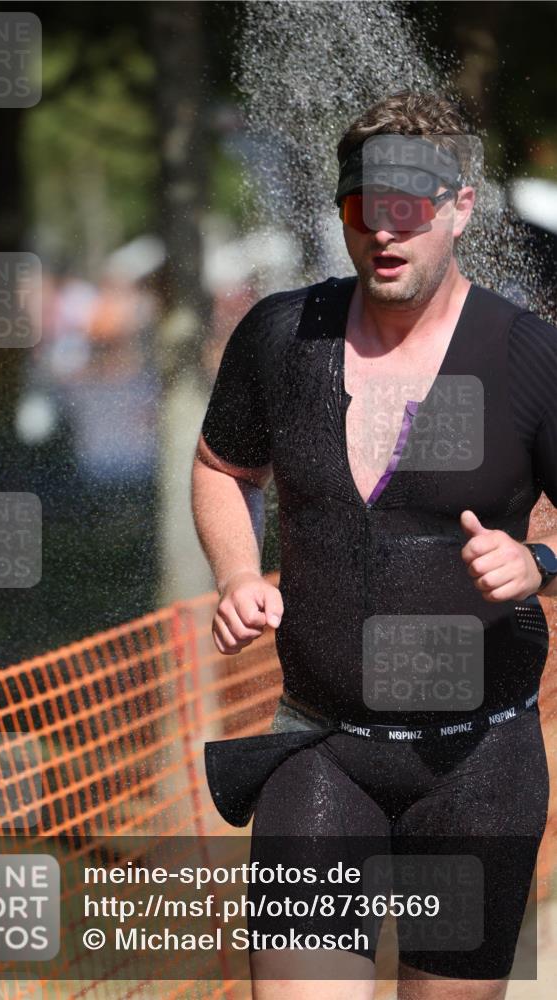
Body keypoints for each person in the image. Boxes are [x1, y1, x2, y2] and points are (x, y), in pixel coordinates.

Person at [191, 91, 557, 1000]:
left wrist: (537, 563)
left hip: (477, 768)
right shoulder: (283, 336)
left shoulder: (524, 356)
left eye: (408, 208)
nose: (384, 232)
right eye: (363, 208)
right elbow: (220, 466)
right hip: (320, 752)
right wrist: (236, 573)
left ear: (459, 207)